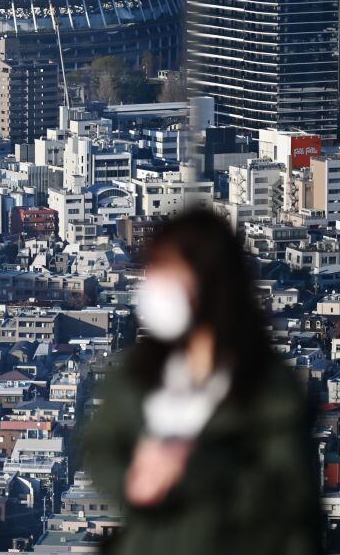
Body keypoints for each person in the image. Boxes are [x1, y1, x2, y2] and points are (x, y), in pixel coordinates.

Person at [84, 209, 321, 555]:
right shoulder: (141, 371)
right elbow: (100, 446)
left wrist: (191, 468)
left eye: (169, 273)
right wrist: (134, 477)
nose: (156, 287)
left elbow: (289, 501)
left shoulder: (265, 387)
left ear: (209, 280)